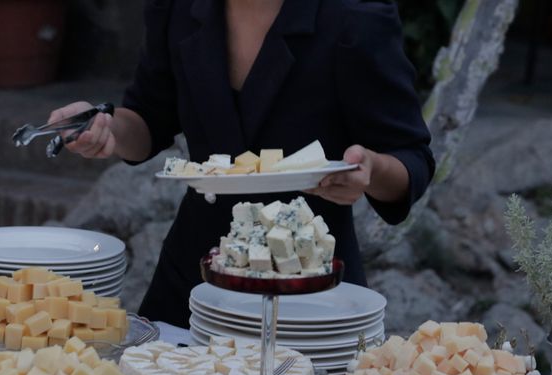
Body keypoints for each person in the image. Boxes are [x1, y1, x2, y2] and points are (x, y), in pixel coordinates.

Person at [48, 0, 435, 329]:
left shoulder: (355, 15)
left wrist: (368, 170)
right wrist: (104, 127)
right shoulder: (179, 7)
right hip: (193, 279)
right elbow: (148, 117)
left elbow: (411, 161)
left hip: (309, 289)